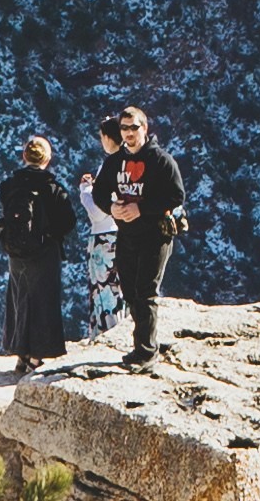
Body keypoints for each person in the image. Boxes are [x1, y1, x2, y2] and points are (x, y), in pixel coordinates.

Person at [79, 100, 187, 368]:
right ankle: (140, 346)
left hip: (155, 234)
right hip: (126, 235)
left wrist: (141, 208)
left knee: (145, 291)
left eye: (133, 127)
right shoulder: (116, 162)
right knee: (128, 290)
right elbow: (101, 193)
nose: (128, 133)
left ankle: (147, 352)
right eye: (124, 128)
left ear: (145, 128)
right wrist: (112, 208)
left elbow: (176, 195)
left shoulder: (161, 161)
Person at [0, 125, 69, 368]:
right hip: (45, 252)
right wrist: (50, 235)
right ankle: (37, 357)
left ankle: (20, 354)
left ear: (24, 156)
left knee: (19, 298)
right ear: (47, 159)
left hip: (16, 251)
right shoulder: (53, 189)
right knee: (43, 301)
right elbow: (69, 220)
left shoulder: (9, 186)